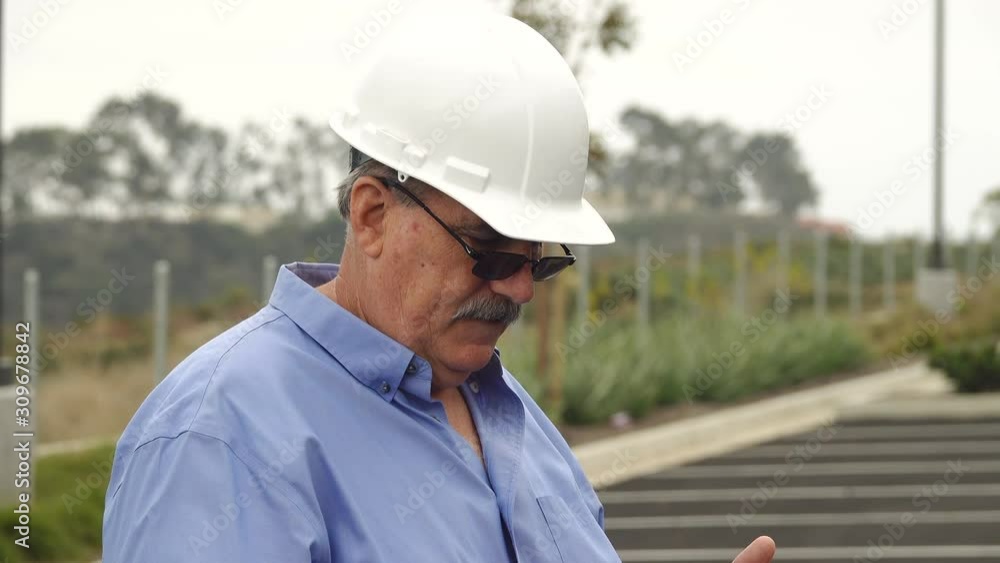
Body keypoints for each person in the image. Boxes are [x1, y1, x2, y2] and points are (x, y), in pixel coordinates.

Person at [103, 11, 776, 563]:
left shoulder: (510, 414)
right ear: (371, 214)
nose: (520, 289)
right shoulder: (221, 437)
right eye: (486, 251)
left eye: (538, 260)